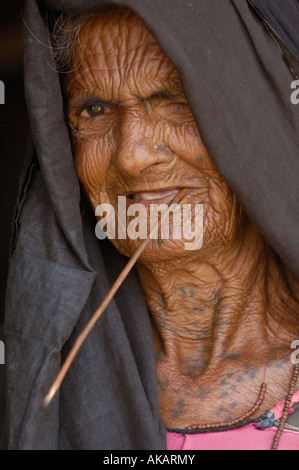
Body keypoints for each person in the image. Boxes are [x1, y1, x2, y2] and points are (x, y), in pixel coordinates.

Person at [2, 0, 299, 450]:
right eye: (95, 111)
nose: (132, 156)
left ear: (257, 122)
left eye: (175, 101)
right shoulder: (33, 369)